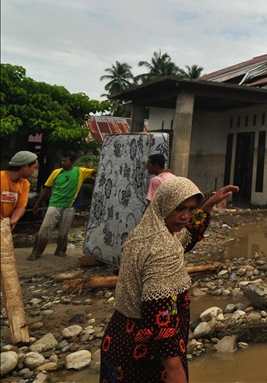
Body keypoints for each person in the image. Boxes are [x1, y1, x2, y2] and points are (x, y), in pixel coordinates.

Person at [101, 178, 237, 383]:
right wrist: (174, 369)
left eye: (191, 209)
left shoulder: (146, 232)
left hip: (118, 340)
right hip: (145, 354)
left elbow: (188, 235)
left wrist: (209, 204)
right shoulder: (163, 249)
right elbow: (158, 317)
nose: (185, 216)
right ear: (163, 204)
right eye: (179, 208)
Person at [28, 152, 97, 260]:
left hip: (70, 205)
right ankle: (36, 252)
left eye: (65, 161)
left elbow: (95, 171)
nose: (63, 163)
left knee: (64, 230)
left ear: (72, 162)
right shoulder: (56, 172)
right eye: (62, 160)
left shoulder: (80, 171)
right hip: (54, 203)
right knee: (45, 228)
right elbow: (47, 188)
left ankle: (60, 250)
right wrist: (38, 202)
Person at [1, 151, 39, 231]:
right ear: (25, 167)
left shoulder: (25, 184)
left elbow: (21, 206)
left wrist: (14, 219)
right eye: (34, 167)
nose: (34, 171)